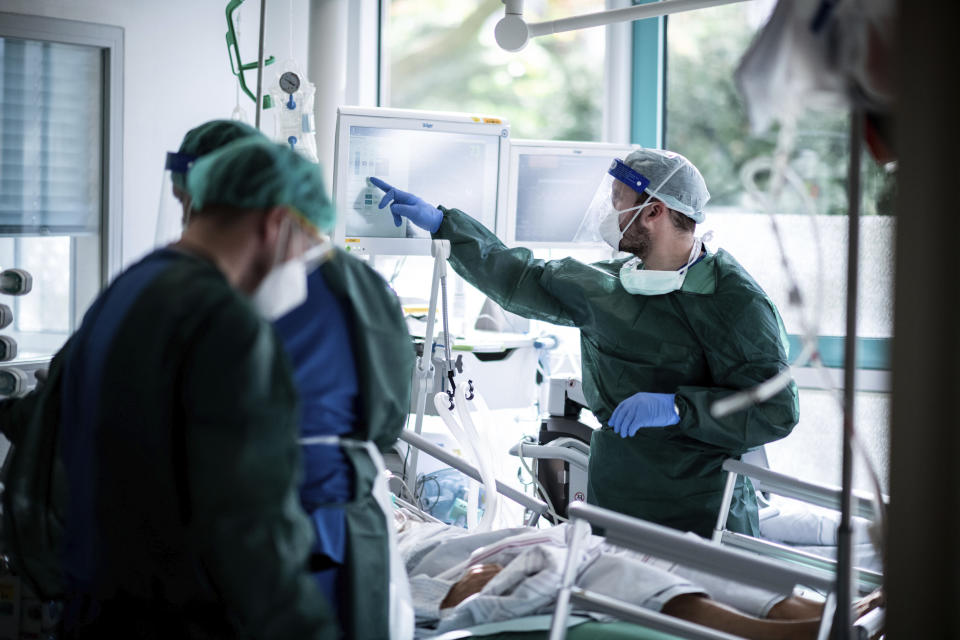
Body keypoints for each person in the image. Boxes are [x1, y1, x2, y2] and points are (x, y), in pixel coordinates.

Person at [1, 134, 339, 638]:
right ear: (274, 223)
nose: (298, 272)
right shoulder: (226, 325)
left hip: (99, 607)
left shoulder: (131, 287)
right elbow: (250, 528)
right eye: (304, 250)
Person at [370, 148, 799, 538]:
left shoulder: (733, 302)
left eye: (617, 201)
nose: (608, 213)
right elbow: (522, 277)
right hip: (617, 499)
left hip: (702, 513)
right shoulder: (610, 286)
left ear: (655, 212)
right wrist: (446, 225)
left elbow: (775, 408)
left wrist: (677, 408)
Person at [395, 509, 884, 640]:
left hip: (469, 542)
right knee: (602, 567)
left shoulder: (369, 501)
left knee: (667, 550)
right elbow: (381, 594)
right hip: (434, 564)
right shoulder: (340, 538)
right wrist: (443, 592)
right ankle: (774, 634)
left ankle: (816, 612)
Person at [271, 197, 415, 638]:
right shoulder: (367, 285)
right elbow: (391, 413)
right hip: (354, 494)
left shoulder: (274, 292)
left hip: (303, 496)